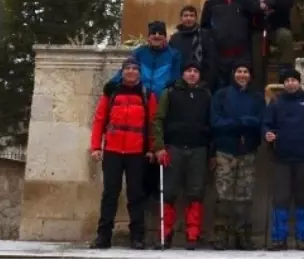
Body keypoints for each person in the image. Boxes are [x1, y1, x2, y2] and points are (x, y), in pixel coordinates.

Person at [89, 58, 158, 250]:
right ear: (122, 72)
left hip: (137, 152)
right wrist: (95, 147)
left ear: (139, 73)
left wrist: (152, 149)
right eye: (127, 68)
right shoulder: (111, 93)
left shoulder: (147, 94)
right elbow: (99, 120)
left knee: (136, 195)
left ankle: (137, 237)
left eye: (135, 69)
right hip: (112, 150)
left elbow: (152, 124)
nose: (131, 72)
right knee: (110, 194)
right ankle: (103, 237)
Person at [262, 68, 304, 251]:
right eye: (287, 80)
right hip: (281, 158)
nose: (291, 83)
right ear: (283, 84)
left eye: (294, 80)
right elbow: (267, 124)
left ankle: (302, 237)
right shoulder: (276, 103)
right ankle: (278, 238)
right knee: (280, 199)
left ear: (299, 82)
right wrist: (267, 133)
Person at [152, 62, 212, 250]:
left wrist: (211, 151)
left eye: (195, 71)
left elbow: (212, 123)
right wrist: (159, 146)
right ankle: (165, 235)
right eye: (188, 71)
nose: (192, 74)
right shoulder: (169, 93)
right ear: (182, 74)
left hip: (198, 149)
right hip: (173, 148)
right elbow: (158, 120)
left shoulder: (206, 95)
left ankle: (192, 236)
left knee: (195, 193)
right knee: (168, 192)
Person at [210, 63, 265, 250]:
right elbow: (216, 121)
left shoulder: (256, 97)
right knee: (223, 196)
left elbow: (260, 121)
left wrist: (246, 123)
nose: (242, 75)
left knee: (245, 196)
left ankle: (243, 237)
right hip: (225, 150)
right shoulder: (221, 95)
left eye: (246, 72)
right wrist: (239, 123)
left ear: (250, 75)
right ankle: (221, 237)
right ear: (233, 74)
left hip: (247, 152)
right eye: (239, 71)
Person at [198, 0, 261, 92]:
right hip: (218, 56)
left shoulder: (244, 0)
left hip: (241, 55)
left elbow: (253, 23)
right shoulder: (211, 3)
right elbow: (204, 28)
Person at [247, 0, 296, 80]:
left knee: (285, 36)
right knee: (257, 55)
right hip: (259, 28)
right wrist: (259, 6)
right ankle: (258, 84)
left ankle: (286, 76)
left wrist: (269, 3)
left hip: (278, 25)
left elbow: (287, 2)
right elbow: (249, 4)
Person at [111, 20, 181, 96]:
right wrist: (111, 84)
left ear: (165, 38)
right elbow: (125, 70)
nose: (157, 36)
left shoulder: (174, 54)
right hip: (141, 98)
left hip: (163, 100)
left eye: (160, 33)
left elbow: (176, 78)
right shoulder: (139, 52)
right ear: (149, 37)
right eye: (153, 33)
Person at [169, 5, 204, 77]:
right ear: (181, 18)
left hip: (199, 78)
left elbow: (210, 60)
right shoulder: (175, 38)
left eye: (192, 15)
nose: (189, 18)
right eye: (186, 15)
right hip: (179, 78)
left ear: (196, 18)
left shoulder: (204, 35)